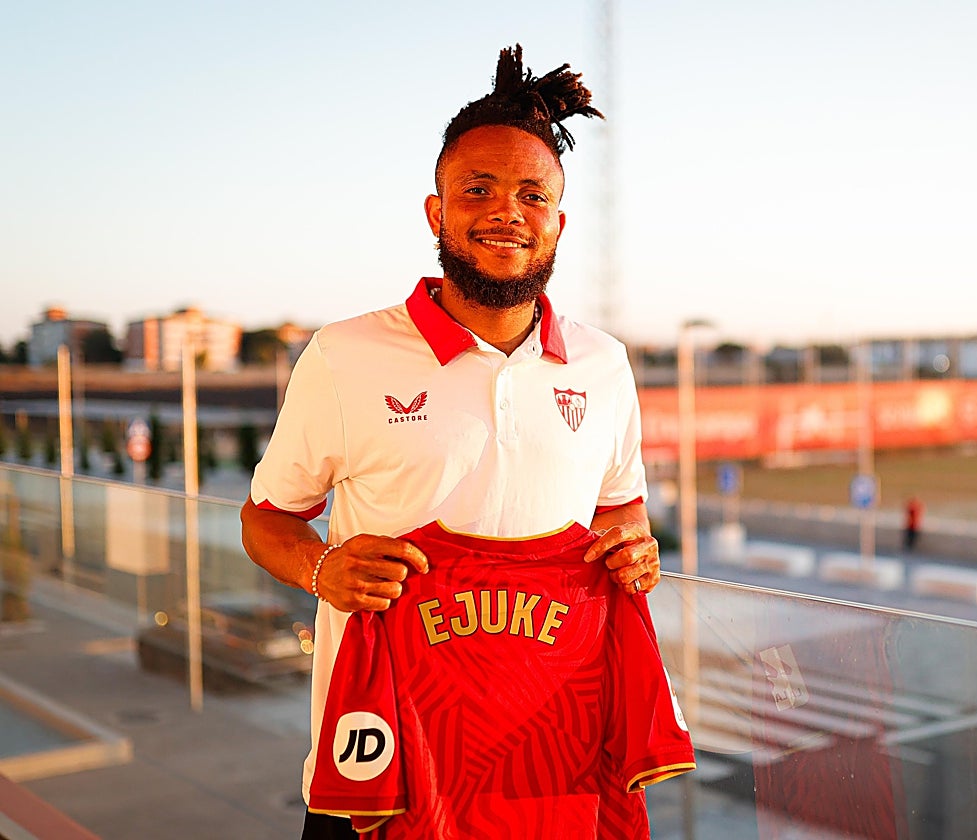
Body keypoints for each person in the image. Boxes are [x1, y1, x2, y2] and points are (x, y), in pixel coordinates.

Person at [240, 45, 667, 839]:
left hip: (551, 779)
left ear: (558, 223)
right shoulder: (344, 355)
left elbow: (621, 515)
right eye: (479, 189)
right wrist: (323, 569)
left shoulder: (604, 365)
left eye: (532, 195)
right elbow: (265, 520)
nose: (507, 211)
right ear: (437, 213)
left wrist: (634, 552)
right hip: (381, 778)